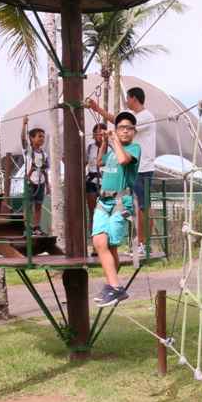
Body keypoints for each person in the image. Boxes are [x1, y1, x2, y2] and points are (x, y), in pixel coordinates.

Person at [87, 87, 156, 256]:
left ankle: (143, 244)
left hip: (143, 168)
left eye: (128, 98)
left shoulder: (146, 117)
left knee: (143, 207)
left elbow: (121, 123)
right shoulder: (137, 120)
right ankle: (134, 242)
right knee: (135, 206)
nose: (127, 101)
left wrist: (97, 109)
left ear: (134, 98)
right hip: (133, 169)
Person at [91, 112, 141, 308]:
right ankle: (113, 286)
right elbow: (100, 162)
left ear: (134, 132)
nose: (125, 130)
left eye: (129, 128)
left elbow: (123, 160)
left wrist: (114, 140)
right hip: (104, 201)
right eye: (121, 127)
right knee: (100, 241)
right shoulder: (112, 149)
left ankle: (114, 287)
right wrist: (104, 142)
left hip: (121, 202)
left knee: (109, 245)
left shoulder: (134, 149)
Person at [21, 115, 49, 236]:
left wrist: (48, 185)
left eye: (43, 137)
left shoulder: (44, 154)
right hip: (30, 182)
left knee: (38, 205)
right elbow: (22, 139)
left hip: (41, 182)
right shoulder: (28, 151)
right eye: (39, 136)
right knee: (28, 206)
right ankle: (27, 227)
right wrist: (24, 124)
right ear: (32, 138)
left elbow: (45, 170)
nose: (42, 139)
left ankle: (37, 227)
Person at [86, 123, 107, 233]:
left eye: (103, 133)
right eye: (98, 133)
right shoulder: (90, 147)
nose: (100, 135)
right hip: (92, 178)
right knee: (92, 209)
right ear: (94, 134)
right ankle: (93, 231)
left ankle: (104, 231)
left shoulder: (110, 147)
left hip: (105, 179)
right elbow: (85, 162)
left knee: (105, 208)